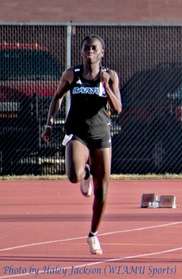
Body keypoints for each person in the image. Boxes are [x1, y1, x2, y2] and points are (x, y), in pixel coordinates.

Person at [41, 35, 122, 255]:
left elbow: (118, 109)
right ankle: (85, 173)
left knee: (102, 191)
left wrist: (105, 85)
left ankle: (93, 235)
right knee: (73, 176)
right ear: (82, 51)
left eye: (94, 48)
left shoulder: (110, 76)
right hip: (77, 132)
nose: (90, 52)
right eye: (87, 48)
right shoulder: (72, 74)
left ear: (102, 53)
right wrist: (49, 124)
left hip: (100, 135)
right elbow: (57, 98)